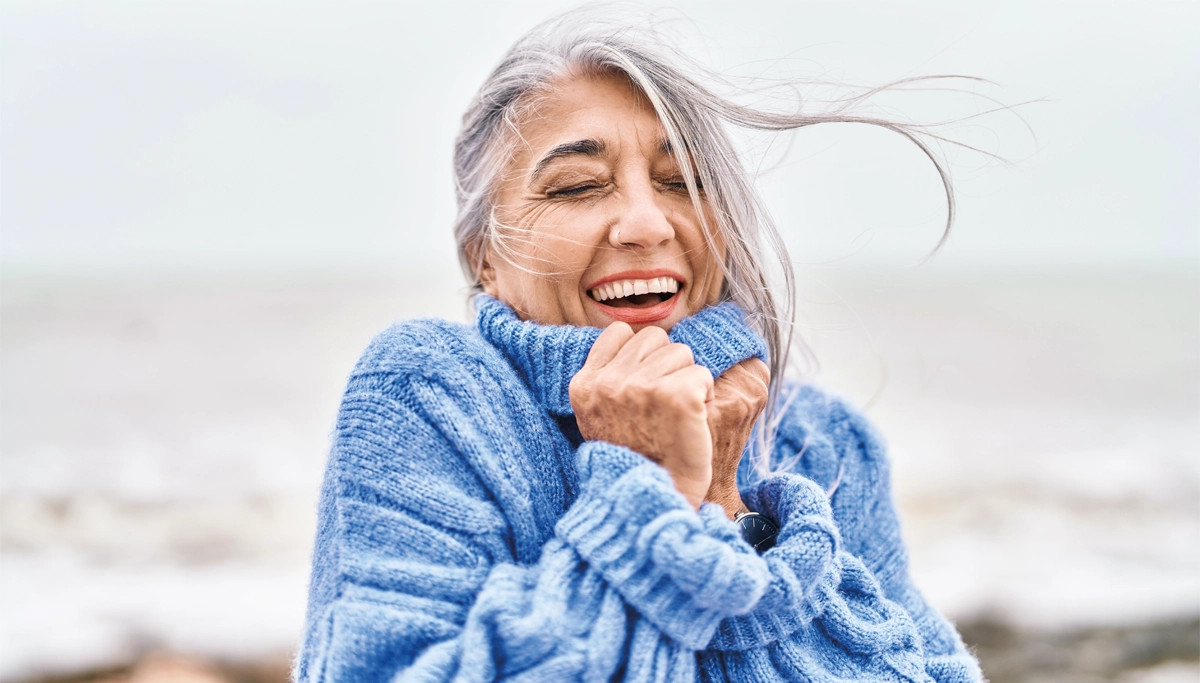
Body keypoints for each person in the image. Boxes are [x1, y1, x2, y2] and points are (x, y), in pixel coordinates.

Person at [296, 11, 983, 683]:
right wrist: (644, 494)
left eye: (683, 181)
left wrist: (723, 508)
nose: (646, 223)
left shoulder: (828, 441)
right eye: (577, 186)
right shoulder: (432, 394)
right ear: (485, 255)